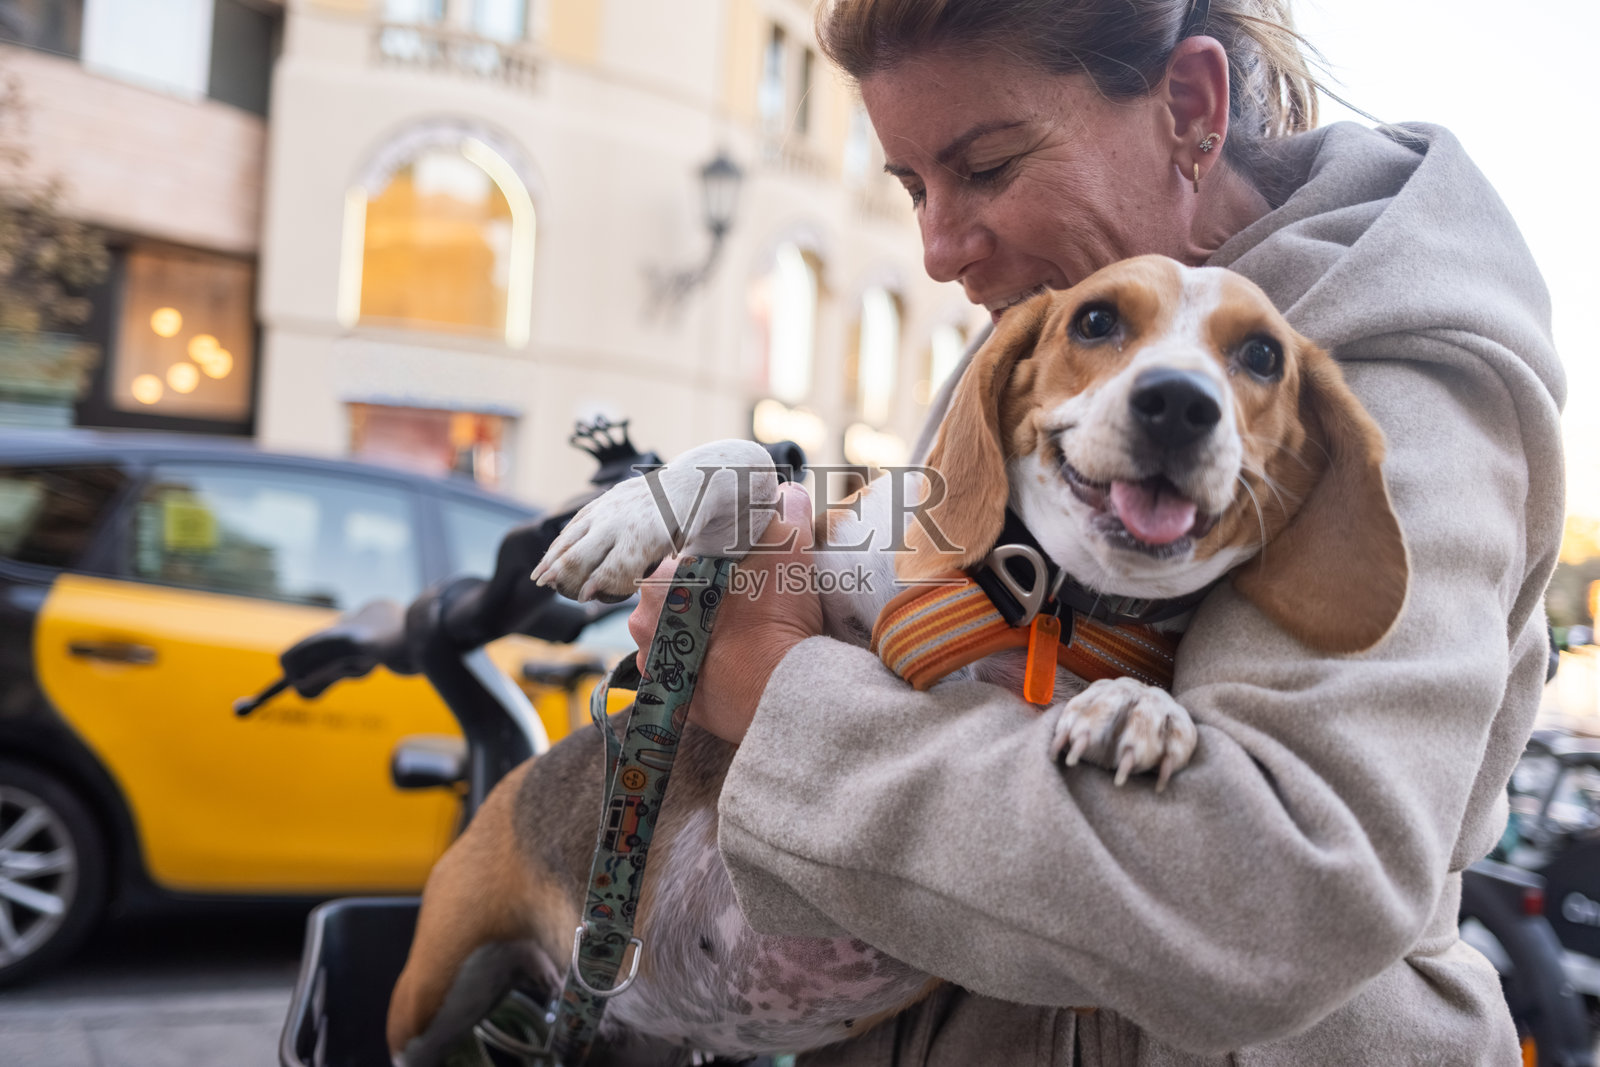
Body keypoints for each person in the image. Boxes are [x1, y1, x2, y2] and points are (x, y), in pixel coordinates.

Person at [629, 0, 1564, 1062]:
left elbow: (1283, 897)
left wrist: (775, 691)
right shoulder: (1053, 338)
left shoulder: (1397, 393)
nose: (938, 249)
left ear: (1189, 111)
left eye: (985, 168)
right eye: (913, 186)